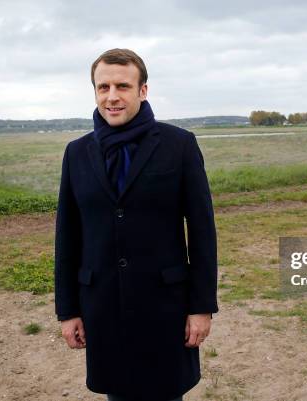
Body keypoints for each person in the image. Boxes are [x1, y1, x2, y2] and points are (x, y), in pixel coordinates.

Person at [54, 48, 218, 401]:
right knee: (118, 393)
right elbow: (67, 237)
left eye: (123, 86)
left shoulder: (179, 145)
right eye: (103, 87)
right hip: (103, 306)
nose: (112, 96)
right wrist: (68, 311)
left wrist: (201, 307)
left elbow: (203, 232)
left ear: (143, 90)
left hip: (165, 306)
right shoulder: (77, 152)